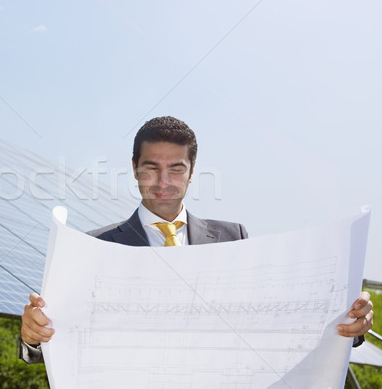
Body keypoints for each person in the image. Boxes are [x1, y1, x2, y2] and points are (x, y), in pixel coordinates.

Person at [20, 116, 374, 365]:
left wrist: (350, 324)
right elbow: (63, 336)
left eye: (176, 168)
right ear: (133, 168)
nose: (163, 181)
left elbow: (275, 319)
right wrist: (32, 338)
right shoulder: (93, 247)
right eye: (150, 167)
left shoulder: (233, 239)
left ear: (191, 173)